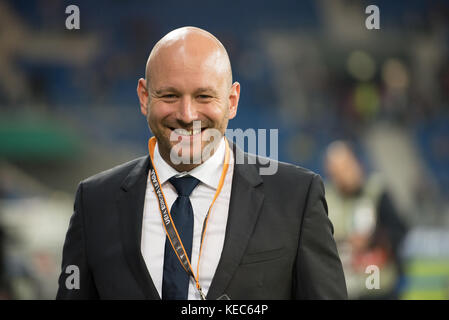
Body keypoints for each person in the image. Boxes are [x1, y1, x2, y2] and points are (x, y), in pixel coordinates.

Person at [56, 27, 347, 300]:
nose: (186, 114)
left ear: (232, 100)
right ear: (144, 97)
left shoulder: (296, 197)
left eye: (203, 96)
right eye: (169, 95)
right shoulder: (94, 201)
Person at [324, 141, 408, 299]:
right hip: (345, 289)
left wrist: (374, 239)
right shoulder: (325, 198)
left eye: (347, 167)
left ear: (357, 163)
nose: (344, 175)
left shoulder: (376, 191)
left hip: (380, 287)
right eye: (337, 172)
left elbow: (399, 230)